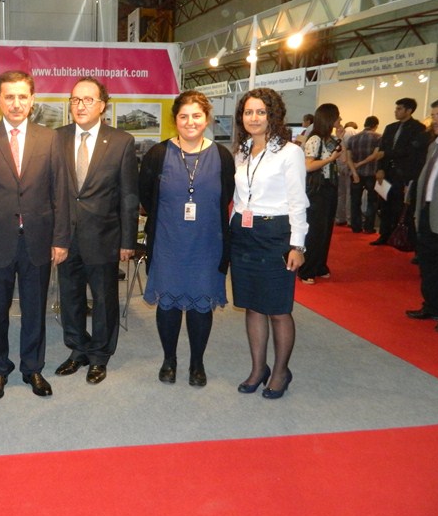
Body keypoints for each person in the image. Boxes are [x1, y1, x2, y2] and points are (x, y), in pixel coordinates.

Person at [0, 70, 70, 400]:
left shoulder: (49, 139)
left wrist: (60, 238)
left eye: (23, 96)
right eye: (9, 96)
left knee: (35, 309)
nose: (16, 103)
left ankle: (32, 367)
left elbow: (60, 192)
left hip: (38, 240)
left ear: (32, 100)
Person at [139, 90, 235, 386]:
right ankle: (169, 360)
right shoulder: (158, 154)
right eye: (183, 116)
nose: (190, 122)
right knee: (167, 305)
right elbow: (146, 196)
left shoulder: (222, 156)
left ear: (206, 119)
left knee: (200, 306)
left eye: (196, 115)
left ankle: (197, 363)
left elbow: (226, 197)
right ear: (175, 120)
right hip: (167, 244)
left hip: (207, 245)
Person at [54, 77, 139, 385]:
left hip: (104, 237)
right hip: (65, 237)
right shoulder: (57, 138)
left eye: (88, 100)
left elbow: (129, 195)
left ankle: (100, 355)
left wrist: (128, 240)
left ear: (102, 105)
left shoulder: (121, 141)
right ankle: (77, 349)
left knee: (104, 299)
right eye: (75, 100)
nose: (80, 106)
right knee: (70, 296)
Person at [229, 88, 308, 399]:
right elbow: (239, 198)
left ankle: (280, 371)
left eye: (260, 112)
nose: (254, 118)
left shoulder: (290, 152)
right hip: (244, 235)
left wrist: (297, 246)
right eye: (248, 112)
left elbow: (298, 202)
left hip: (275, 235)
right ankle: (258, 368)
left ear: (273, 115)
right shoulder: (243, 151)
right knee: (252, 305)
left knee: (277, 309)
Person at [406, 97, 438, 333]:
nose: (435, 120)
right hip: (427, 212)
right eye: (434, 115)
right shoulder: (434, 145)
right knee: (428, 264)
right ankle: (432, 305)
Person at [371, 98, 428, 246]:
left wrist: (387, 154)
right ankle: (384, 235)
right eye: (396, 108)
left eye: (399, 109)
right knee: (384, 205)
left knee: (400, 207)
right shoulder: (390, 128)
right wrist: (380, 169)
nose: (396, 111)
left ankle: (399, 236)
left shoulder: (418, 128)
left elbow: (411, 151)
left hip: (403, 174)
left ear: (409, 111)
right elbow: (382, 150)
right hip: (386, 172)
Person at [298, 103, 343, 284]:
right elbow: (308, 166)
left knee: (326, 230)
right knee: (315, 231)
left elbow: (342, 157)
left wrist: (340, 139)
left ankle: (319, 265)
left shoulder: (330, 139)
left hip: (330, 187)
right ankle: (306, 269)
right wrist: (330, 159)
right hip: (317, 189)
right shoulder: (315, 139)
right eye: (338, 116)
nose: (340, 120)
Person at [346, 116, 382, 233]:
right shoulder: (378, 137)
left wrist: (354, 170)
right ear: (375, 125)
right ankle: (368, 227)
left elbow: (348, 158)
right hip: (372, 173)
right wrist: (361, 163)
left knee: (355, 201)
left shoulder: (353, 139)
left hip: (356, 174)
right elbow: (375, 155)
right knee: (372, 201)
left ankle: (355, 226)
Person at [334, 120, 358, 226]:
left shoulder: (338, 136)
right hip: (349, 165)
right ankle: (349, 219)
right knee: (349, 193)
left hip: (338, 166)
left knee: (340, 193)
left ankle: (339, 218)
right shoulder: (355, 133)